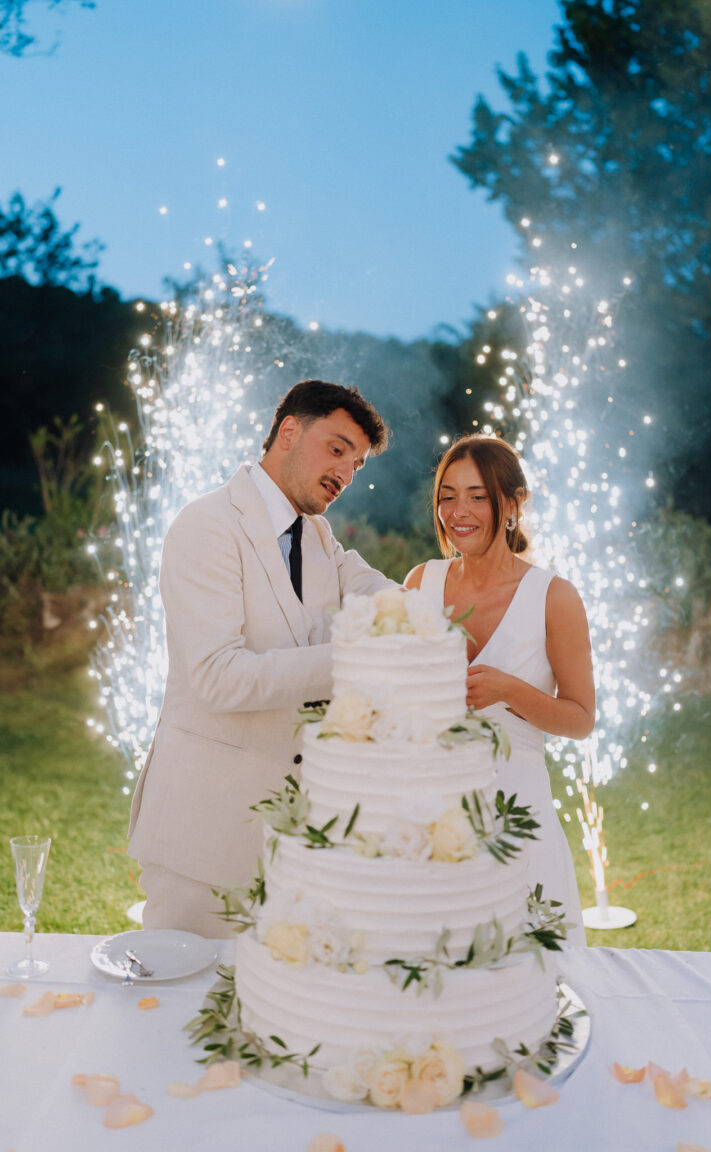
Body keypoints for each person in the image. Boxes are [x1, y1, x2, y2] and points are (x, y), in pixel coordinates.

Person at [129, 380, 397, 937]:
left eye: (358, 463)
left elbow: (381, 593)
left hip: (293, 846)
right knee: (182, 1015)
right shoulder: (207, 525)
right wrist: (358, 657)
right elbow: (219, 678)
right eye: (338, 447)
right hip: (203, 839)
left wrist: (453, 604)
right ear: (289, 431)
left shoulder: (318, 537)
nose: (347, 473)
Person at [405, 434, 594, 946]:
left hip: (518, 813)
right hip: (428, 816)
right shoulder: (419, 583)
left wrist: (510, 691)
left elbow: (580, 720)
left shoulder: (553, 597)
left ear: (512, 503)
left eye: (477, 495)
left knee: (527, 988)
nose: (458, 511)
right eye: (447, 496)